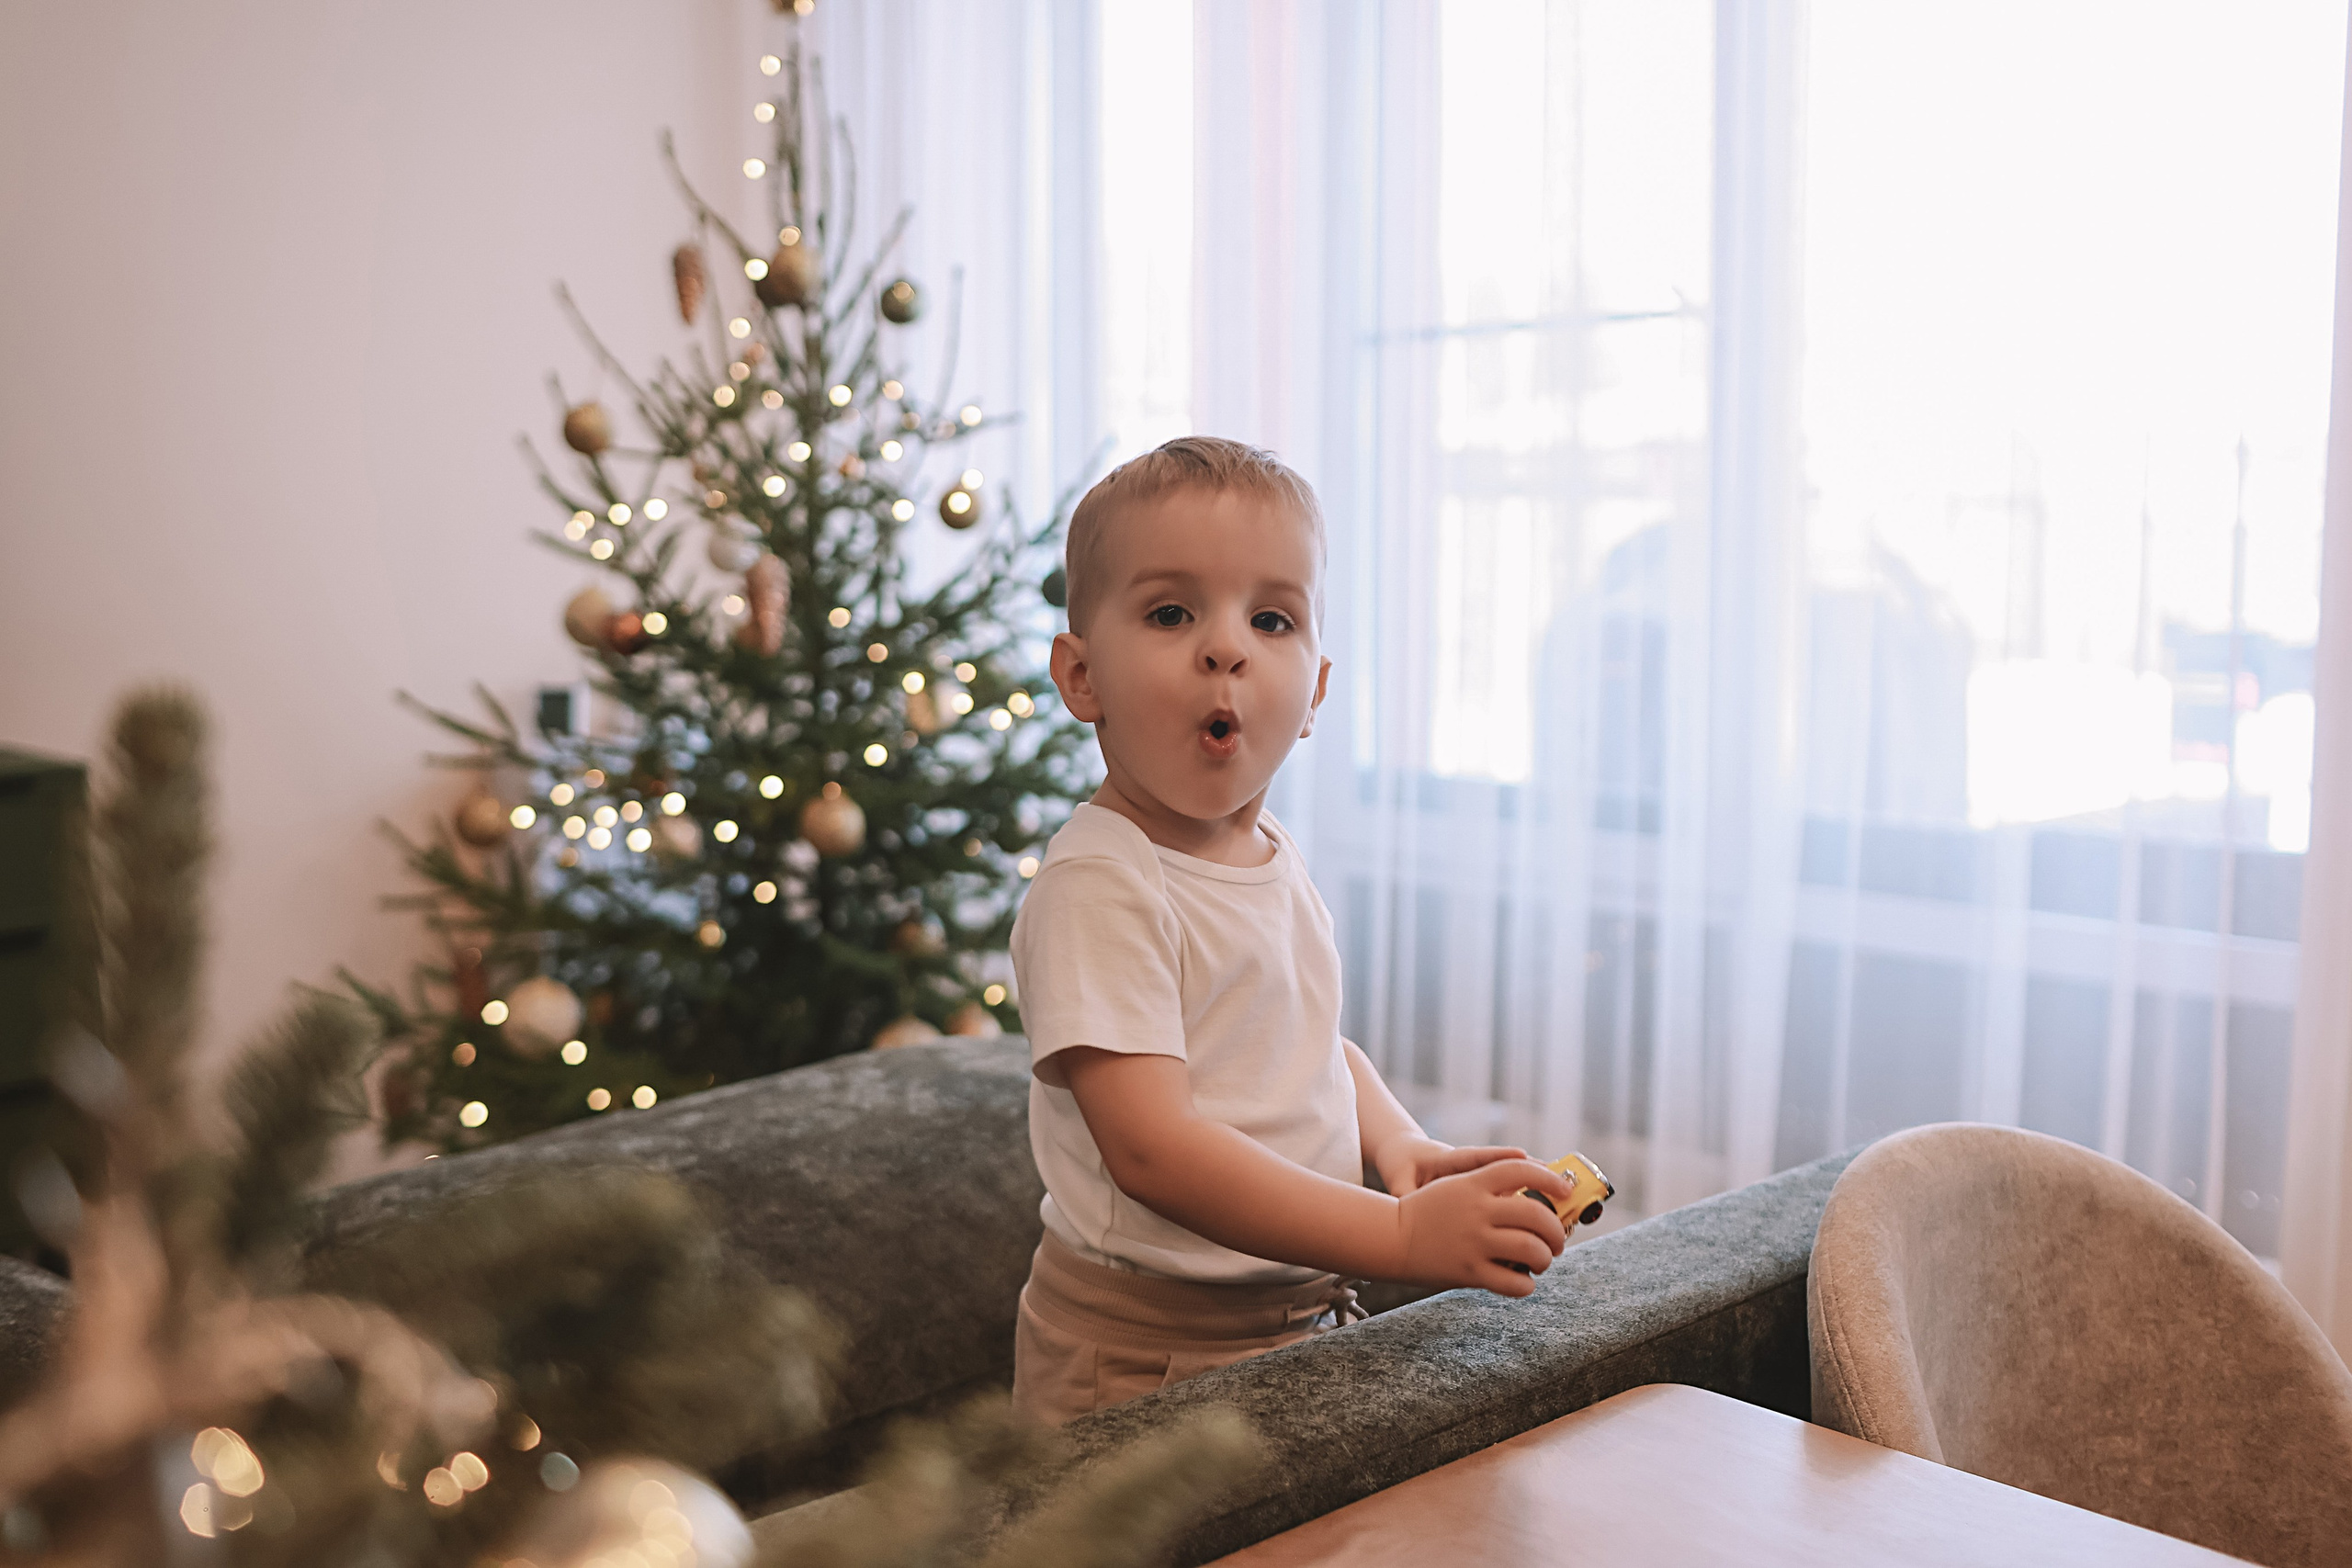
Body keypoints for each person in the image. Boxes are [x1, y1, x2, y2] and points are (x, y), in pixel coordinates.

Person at [1009, 435, 1574, 1426]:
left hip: (1296, 1317)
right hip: (1141, 1354)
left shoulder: (1268, 852)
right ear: (1082, 675)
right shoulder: (1100, 882)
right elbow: (1155, 1151)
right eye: (1171, 612)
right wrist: (1398, 1237)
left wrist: (1400, 1147)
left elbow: (1310, 1050)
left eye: (1271, 618)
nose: (1224, 646)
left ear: (1311, 694)